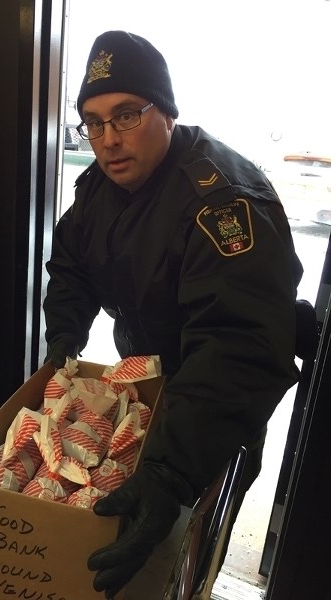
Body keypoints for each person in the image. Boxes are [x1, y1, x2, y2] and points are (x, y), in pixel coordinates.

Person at [43, 30, 317, 599]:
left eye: (125, 116)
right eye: (93, 123)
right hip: (151, 387)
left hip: (220, 410)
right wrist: (63, 340)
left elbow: (236, 351)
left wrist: (170, 473)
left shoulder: (222, 201)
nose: (108, 140)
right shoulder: (102, 186)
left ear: (166, 111)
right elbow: (72, 261)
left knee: (188, 552)